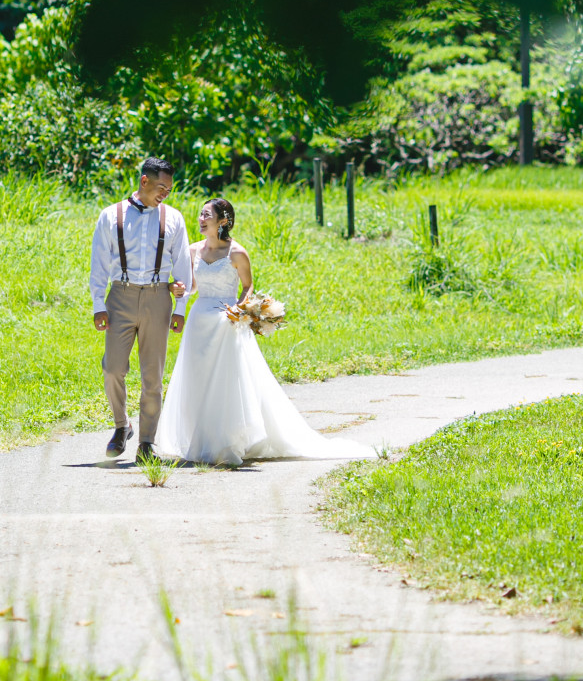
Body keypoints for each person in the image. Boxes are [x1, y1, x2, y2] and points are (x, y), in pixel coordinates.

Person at [154, 197, 377, 467]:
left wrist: (239, 308)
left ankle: (225, 442)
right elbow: (191, 287)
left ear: (222, 221)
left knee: (225, 382)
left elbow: (247, 286)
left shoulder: (237, 253)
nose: (201, 219)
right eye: (200, 215)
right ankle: (198, 438)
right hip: (199, 321)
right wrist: (178, 290)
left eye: (207, 215)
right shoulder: (192, 251)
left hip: (227, 322)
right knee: (198, 378)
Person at [90, 156, 193, 461]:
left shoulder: (173, 218)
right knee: (112, 368)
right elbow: (99, 262)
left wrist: (180, 307)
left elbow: (183, 266)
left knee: (153, 375)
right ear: (144, 181)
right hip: (119, 296)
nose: (166, 193)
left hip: (157, 297)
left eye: (170, 189)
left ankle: (146, 442)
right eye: (162, 186)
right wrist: (98, 303)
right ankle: (122, 426)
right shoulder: (111, 215)